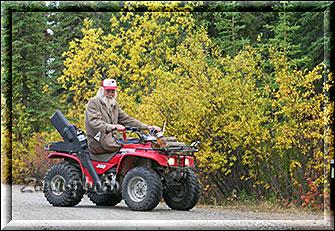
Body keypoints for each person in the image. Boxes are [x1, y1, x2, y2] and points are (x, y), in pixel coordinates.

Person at [85, 79, 161, 155]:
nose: (110, 94)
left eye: (112, 92)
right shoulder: (94, 102)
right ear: (101, 90)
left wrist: (147, 127)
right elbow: (95, 122)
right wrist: (113, 127)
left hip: (114, 139)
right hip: (100, 142)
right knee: (132, 148)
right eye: (107, 91)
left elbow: (127, 119)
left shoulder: (114, 104)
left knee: (140, 144)